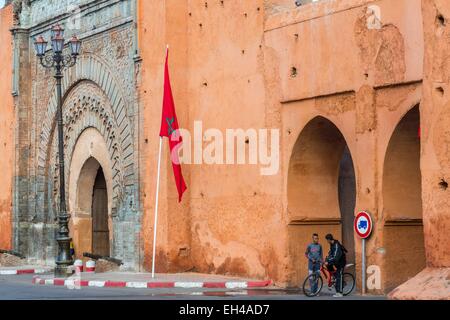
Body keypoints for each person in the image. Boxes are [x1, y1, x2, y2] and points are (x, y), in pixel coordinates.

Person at [324, 234, 347, 298]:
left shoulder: (336, 245)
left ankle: (340, 293)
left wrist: (328, 261)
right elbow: (330, 253)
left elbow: (335, 257)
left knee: (339, 275)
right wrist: (327, 258)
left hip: (341, 262)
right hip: (336, 262)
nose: (327, 241)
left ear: (329, 239)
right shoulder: (332, 244)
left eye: (327, 240)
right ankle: (334, 280)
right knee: (330, 268)